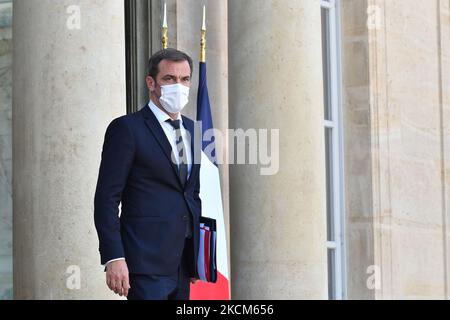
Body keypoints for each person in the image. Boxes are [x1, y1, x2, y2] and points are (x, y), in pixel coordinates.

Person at [94, 48, 201, 300]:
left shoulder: (192, 130)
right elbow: (106, 198)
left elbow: (191, 195)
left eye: (184, 79)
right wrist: (114, 257)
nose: (179, 86)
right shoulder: (127, 129)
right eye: (169, 79)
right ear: (150, 82)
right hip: (143, 264)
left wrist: (197, 254)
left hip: (182, 264)